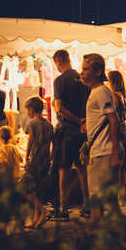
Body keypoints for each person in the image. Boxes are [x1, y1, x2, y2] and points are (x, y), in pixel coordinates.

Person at [81, 53, 122, 222]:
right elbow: (107, 118)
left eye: (85, 69)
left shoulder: (100, 92)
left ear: (97, 72)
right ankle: (123, 237)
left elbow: (113, 120)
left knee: (96, 202)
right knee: (112, 201)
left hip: (101, 153)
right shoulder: (99, 92)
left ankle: (95, 237)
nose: (81, 73)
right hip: (102, 151)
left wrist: (113, 153)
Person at [52, 49, 90, 220]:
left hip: (67, 130)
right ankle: (88, 205)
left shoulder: (60, 81)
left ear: (59, 61)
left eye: (56, 64)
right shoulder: (83, 79)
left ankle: (63, 208)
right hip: (82, 132)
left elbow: (59, 107)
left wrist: (76, 120)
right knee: (82, 169)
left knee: (63, 170)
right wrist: (84, 121)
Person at [20, 97, 54, 229]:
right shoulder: (49, 124)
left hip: (34, 160)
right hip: (45, 161)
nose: (27, 113)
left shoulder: (33, 124)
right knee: (36, 190)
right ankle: (36, 220)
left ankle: (44, 211)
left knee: (23, 187)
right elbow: (53, 144)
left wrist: (26, 158)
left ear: (31, 109)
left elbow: (30, 142)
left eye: (27, 110)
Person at [107, 70, 126, 205]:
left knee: (116, 167)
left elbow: (112, 116)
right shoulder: (124, 96)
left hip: (117, 131)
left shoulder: (113, 96)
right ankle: (121, 195)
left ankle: (116, 198)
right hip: (125, 130)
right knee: (123, 167)